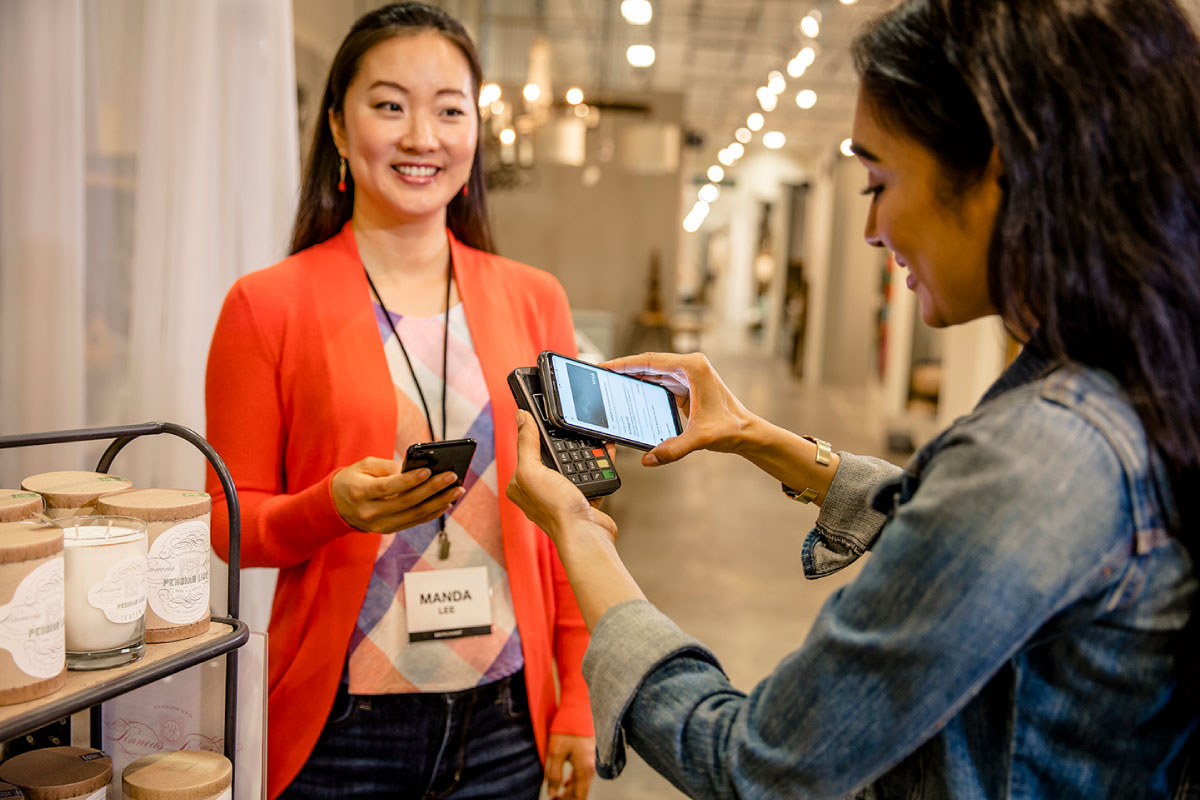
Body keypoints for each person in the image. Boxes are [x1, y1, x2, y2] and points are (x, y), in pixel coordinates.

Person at [506, 0, 1200, 797]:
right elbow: (967, 549)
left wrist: (577, 531)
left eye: (879, 181)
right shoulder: (1136, 375)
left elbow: (753, 766)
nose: (870, 226)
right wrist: (754, 436)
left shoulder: (1049, 450)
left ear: (1002, 168)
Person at [205, 4, 595, 798]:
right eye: (390, 105)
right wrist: (330, 508)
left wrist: (580, 697)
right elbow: (226, 524)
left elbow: (572, 514)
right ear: (340, 130)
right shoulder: (266, 305)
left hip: (506, 722)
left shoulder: (535, 301)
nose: (423, 136)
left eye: (450, 110)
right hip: (342, 727)